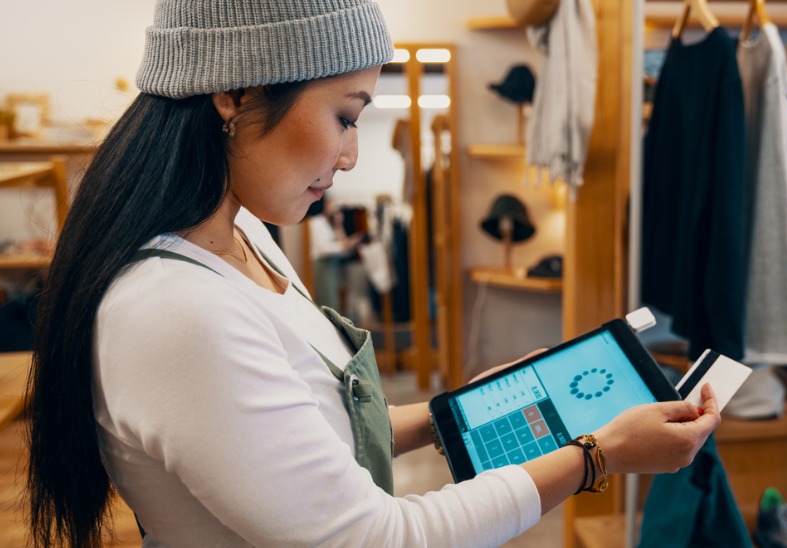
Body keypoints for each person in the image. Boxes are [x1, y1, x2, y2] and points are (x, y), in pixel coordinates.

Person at [25, 1, 722, 546]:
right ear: (235, 92)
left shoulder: (246, 238)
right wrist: (597, 455)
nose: (353, 155)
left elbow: (306, 430)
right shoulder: (174, 312)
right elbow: (373, 535)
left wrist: (452, 411)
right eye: (344, 116)